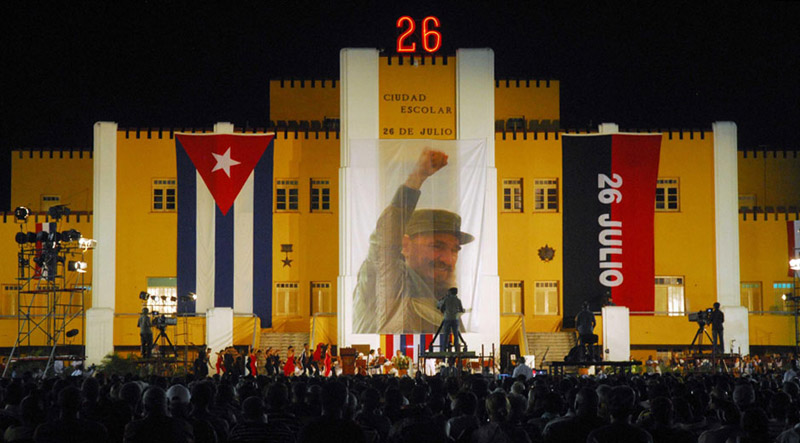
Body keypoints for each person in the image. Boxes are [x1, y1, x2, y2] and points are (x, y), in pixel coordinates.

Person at [353, 148, 475, 334]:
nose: (447, 259)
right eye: (437, 246)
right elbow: (384, 241)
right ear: (405, 245)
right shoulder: (388, 278)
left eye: (454, 250)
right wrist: (416, 179)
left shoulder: (442, 300)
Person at [438, 287, 465, 352]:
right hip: (455, 319)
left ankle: (444, 349)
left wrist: (444, 311)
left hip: (447, 319)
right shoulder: (458, 300)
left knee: (446, 335)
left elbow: (441, 307)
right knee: (456, 335)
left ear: (450, 292)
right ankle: (456, 349)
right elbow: (461, 310)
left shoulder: (446, 300)